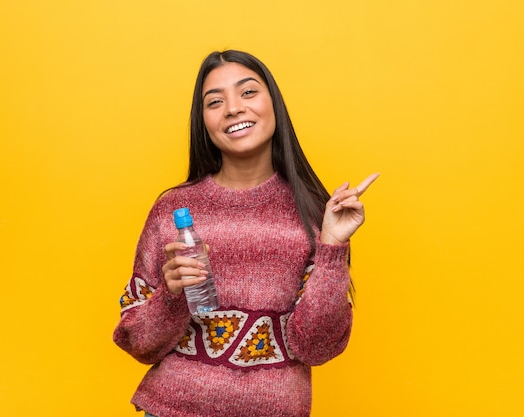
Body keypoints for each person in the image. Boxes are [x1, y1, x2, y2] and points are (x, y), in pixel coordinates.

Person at [113, 49, 379, 417]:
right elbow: (138, 342)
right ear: (203, 121)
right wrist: (171, 296)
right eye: (215, 101)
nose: (233, 108)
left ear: (275, 104)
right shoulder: (173, 211)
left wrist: (333, 246)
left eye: (248, 92)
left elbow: (316, 347)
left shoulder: (316, 213)